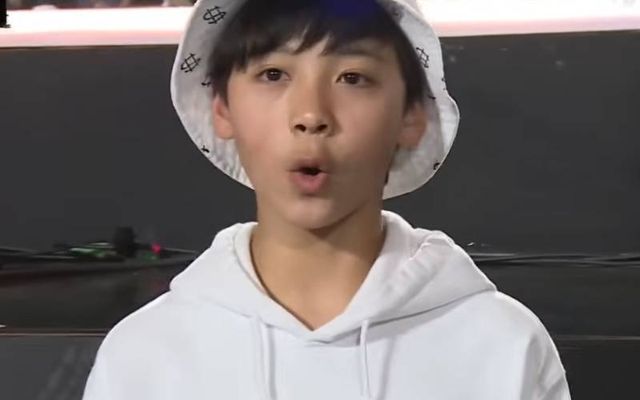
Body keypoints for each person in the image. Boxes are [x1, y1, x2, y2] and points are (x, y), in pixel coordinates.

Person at [82, 0, 572, 399]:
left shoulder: (503, 346)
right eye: (273, 74)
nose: (311, 115)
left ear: (411, 116)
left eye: (352, 77)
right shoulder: (145, 355)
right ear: (223, 110)